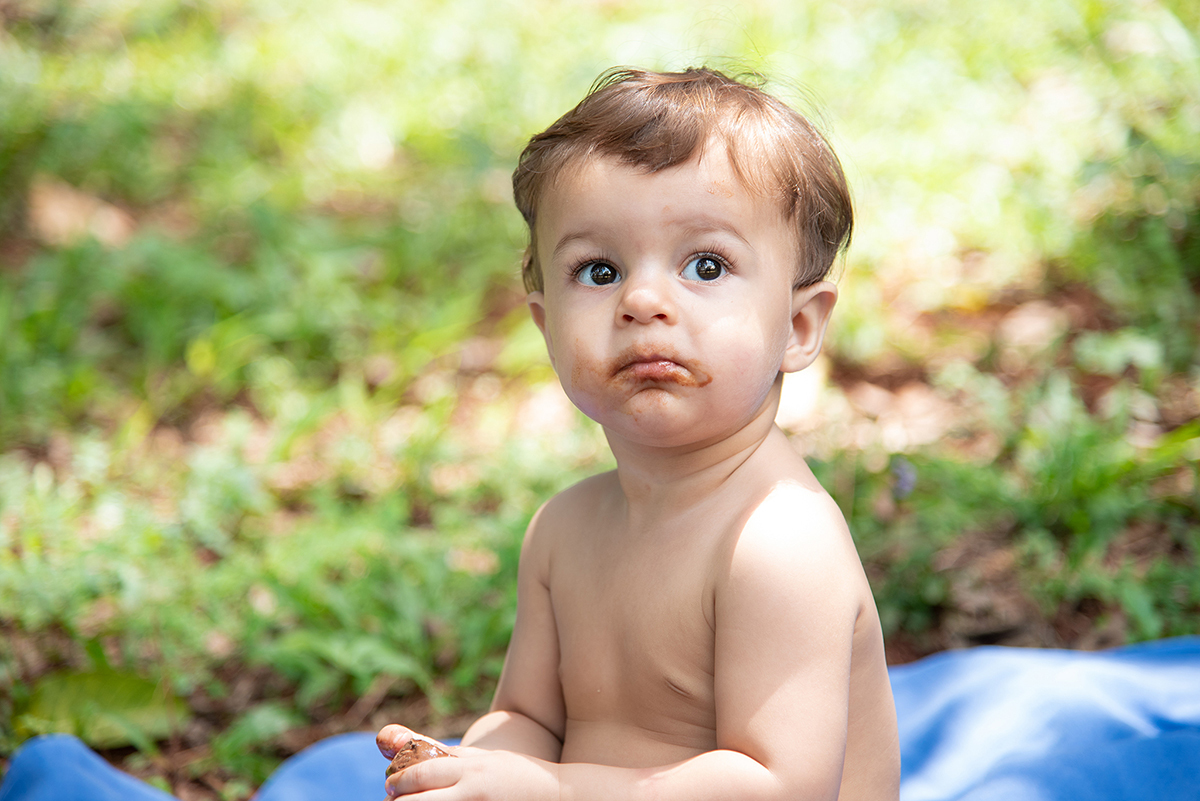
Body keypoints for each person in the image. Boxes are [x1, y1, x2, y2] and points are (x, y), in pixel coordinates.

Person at [378, 65, 900, 800]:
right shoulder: (564, 528)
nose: (643, 299)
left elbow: (779, 783)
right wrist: (468, 768)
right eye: (598, 270)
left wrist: (552, 790)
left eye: (706, 265)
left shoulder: (780, 541)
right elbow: (526, 716)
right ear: (545, 324)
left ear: (799, 325)